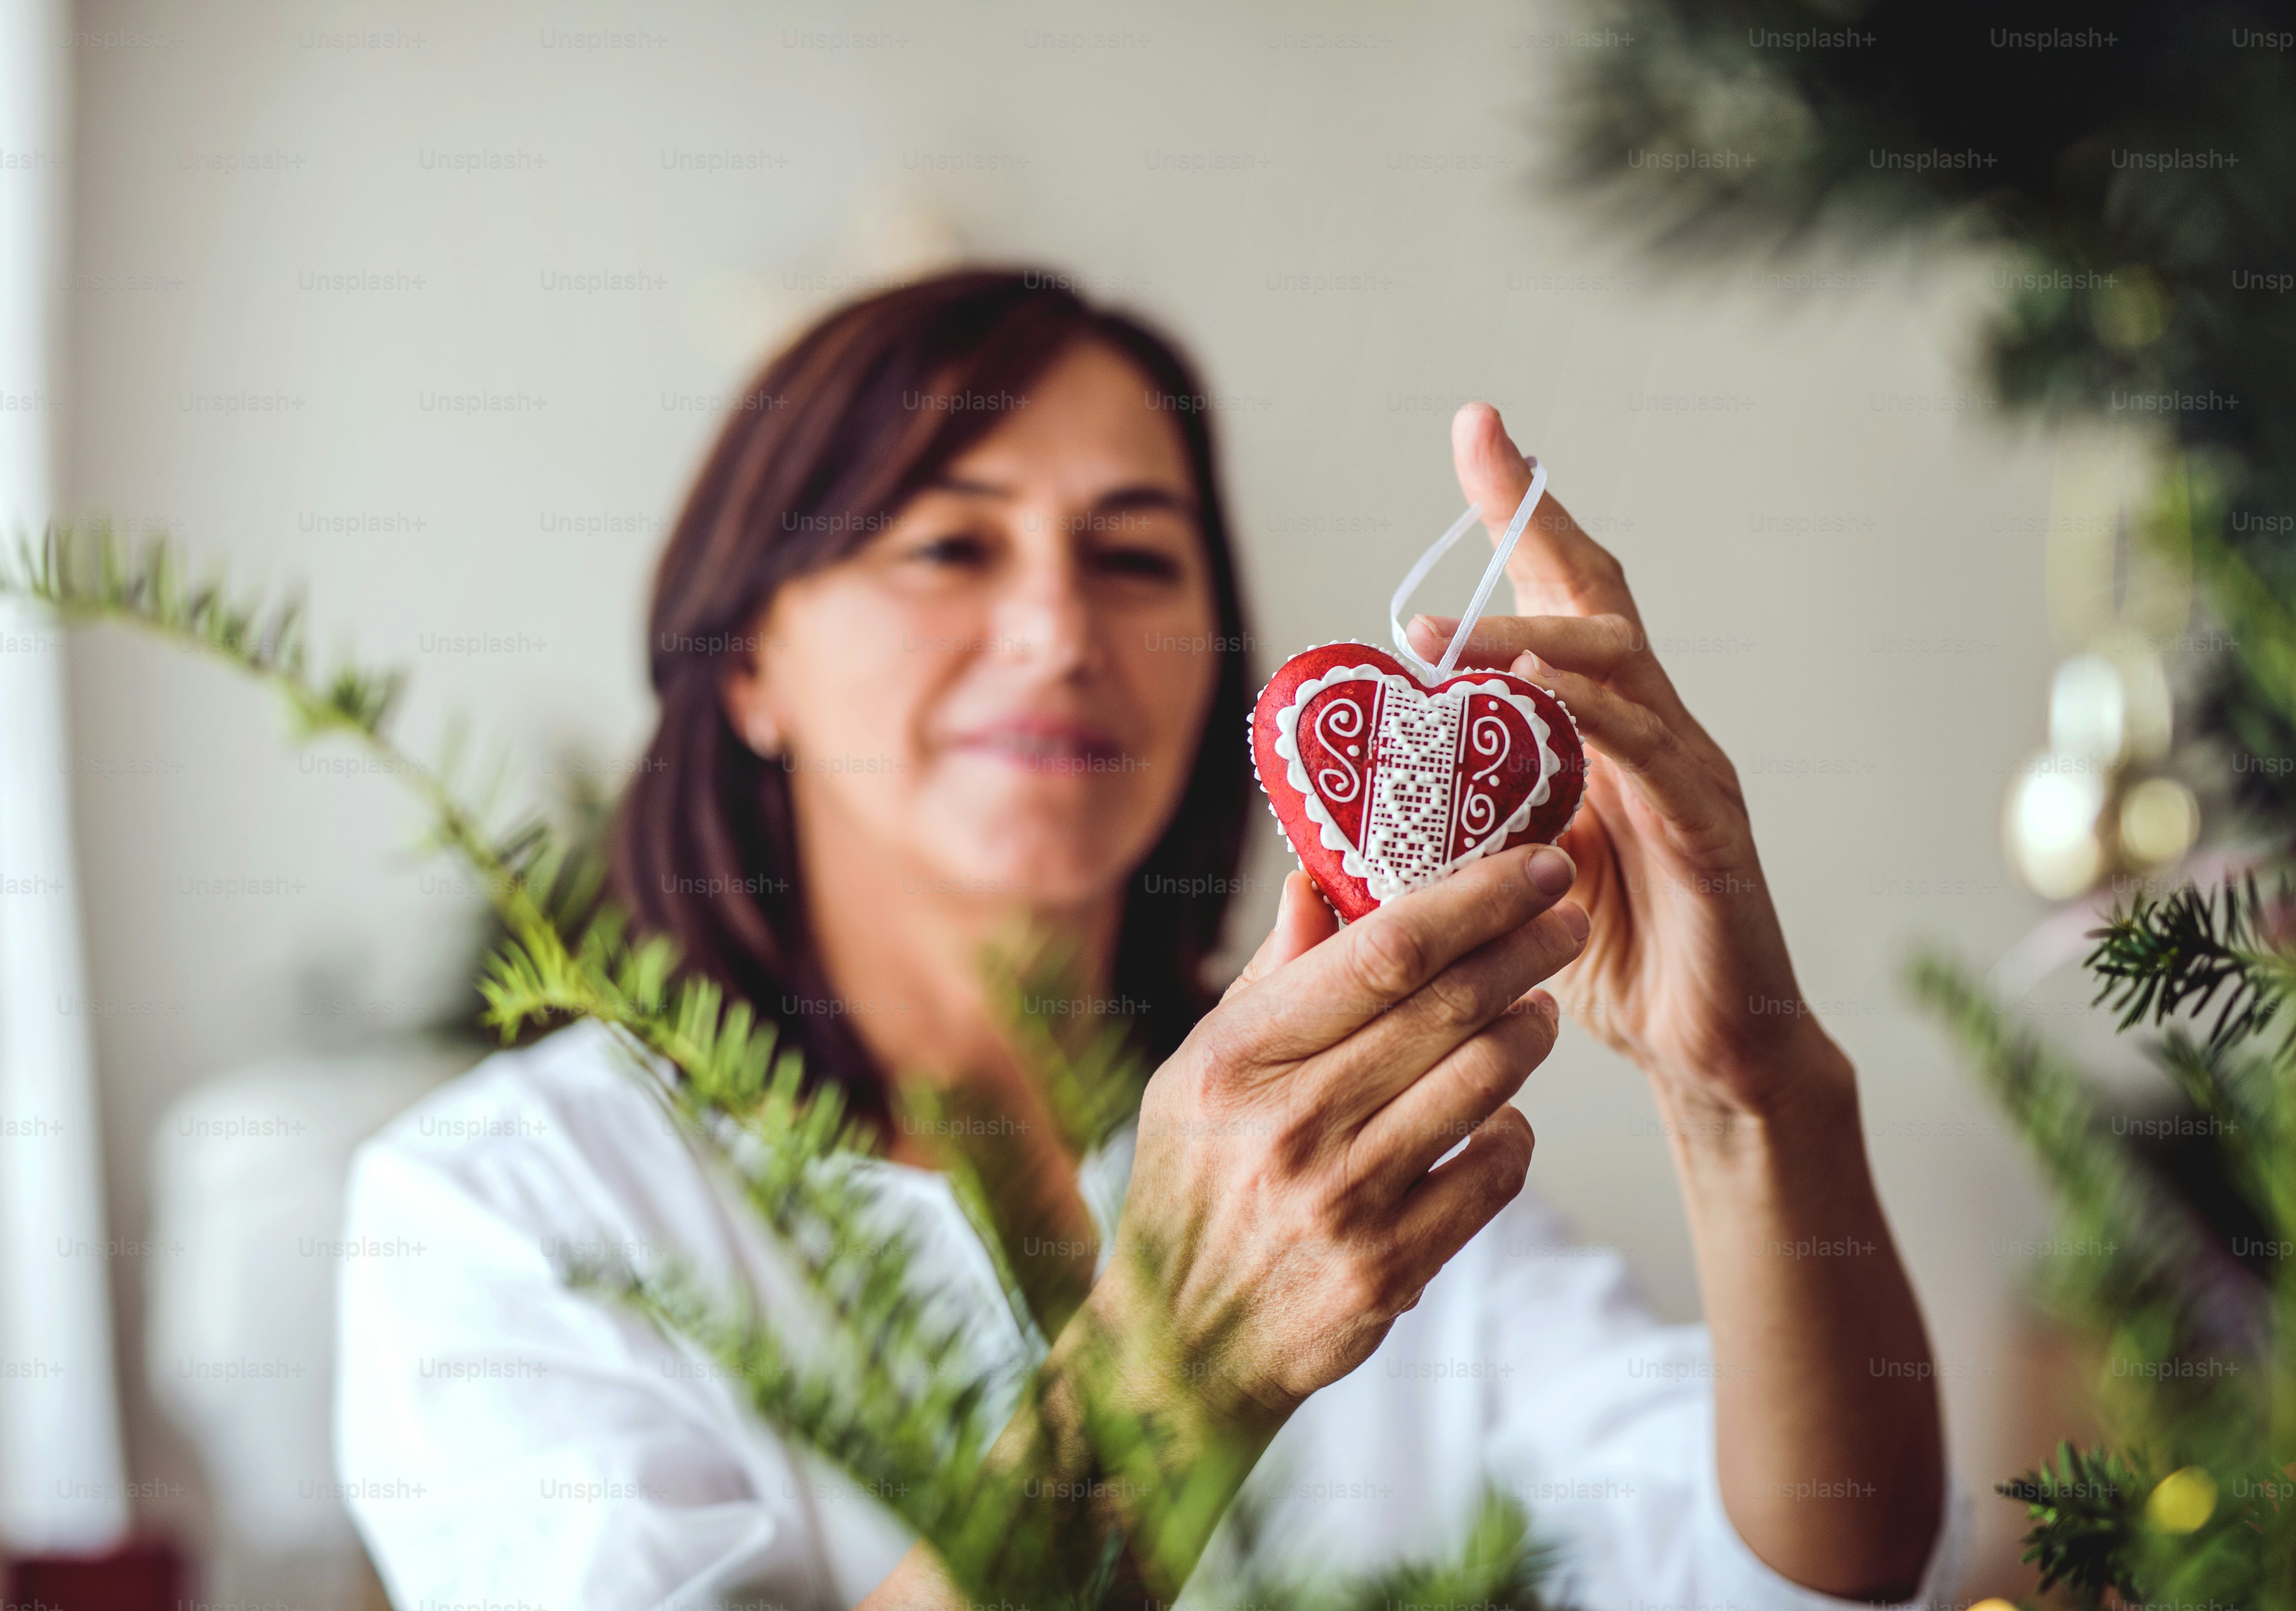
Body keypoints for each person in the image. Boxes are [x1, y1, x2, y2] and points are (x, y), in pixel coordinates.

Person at [335, 270, 1962, 1611]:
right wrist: (1172, 1362)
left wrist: (1748, 1094)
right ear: (748, 662)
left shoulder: (1371, 1155)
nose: (1056, 629)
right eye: (948, 547)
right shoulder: (499, 1211)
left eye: (1131, 557)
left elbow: (1819, 1570)